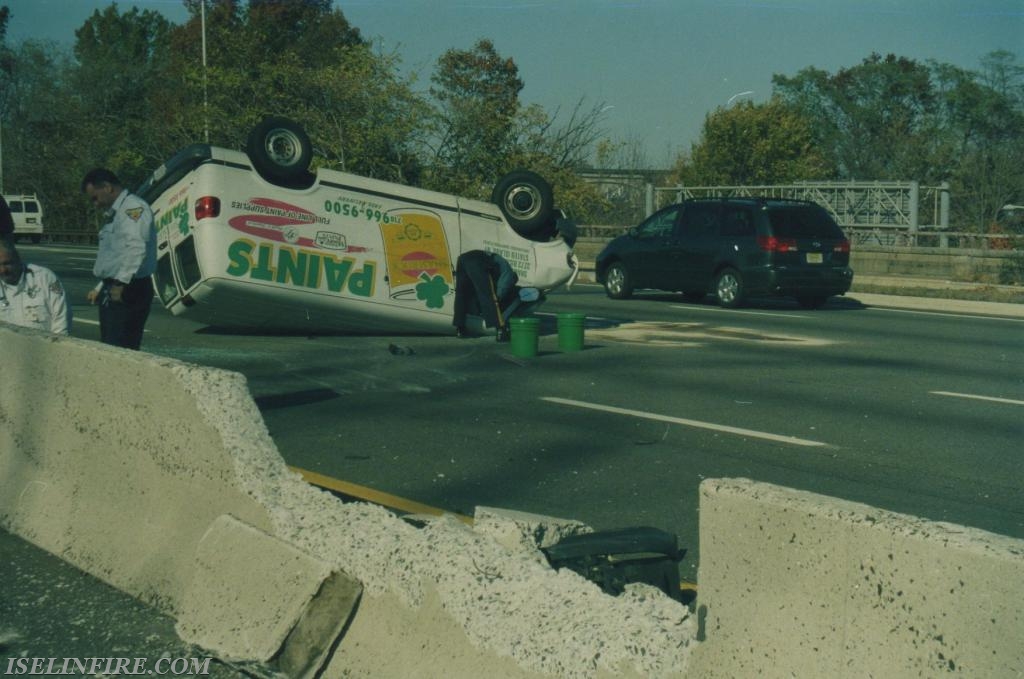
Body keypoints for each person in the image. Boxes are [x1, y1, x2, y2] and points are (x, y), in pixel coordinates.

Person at [81, 168, 156, 350]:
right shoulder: (117, 212)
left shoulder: (132, 208)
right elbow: (116, 256)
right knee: (110, 346)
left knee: (121, 349)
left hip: (129, 289)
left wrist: (120, 283)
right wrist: (101, 286)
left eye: (95, 198)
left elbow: (136, 248)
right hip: (116, 286)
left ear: (107, 187)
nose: (95, 204)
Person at [0, 236, 71, 335]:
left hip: (45, 346)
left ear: (18, 260)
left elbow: (61, 319)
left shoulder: (44, 277)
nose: (3, 270)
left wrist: (57, 347)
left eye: (7, 264)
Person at [452, 250, 518, 341]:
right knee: (488, 295)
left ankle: (460, 329)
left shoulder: (499, 263)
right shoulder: (510, 274)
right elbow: (500, 291)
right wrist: (497, 299)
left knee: (461, 295)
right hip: (477, 260)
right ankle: (501, 331)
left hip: (462, 259)